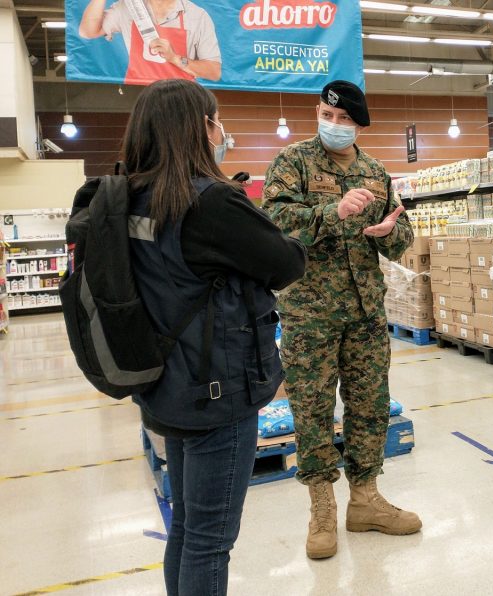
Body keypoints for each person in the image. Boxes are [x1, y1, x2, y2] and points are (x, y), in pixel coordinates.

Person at [110, 79, 305, 594]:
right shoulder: (210, 203)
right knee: (210, 540)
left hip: (166, 383)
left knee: (187, 526)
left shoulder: (132, 199)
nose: (222, 130)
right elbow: (286, 263)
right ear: (199, 128)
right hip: (218, 389)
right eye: (215, 119)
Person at [262, 80, 421, 560]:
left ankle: (366, 499)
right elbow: (275, 221)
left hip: (366, 309)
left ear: (357, 124)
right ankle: (322, 509)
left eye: (343, 120)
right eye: (326, 116)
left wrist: (391, 232)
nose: (332, 125)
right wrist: (333, 210)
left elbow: (400, 234)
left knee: (371, 404)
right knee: (311, 408)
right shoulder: (292, 162)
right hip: (309, 310)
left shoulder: (374, 170)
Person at [79, 0, 222, 83]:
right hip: (141, 99)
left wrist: (174, 58)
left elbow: (214, 72)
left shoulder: (197, 16)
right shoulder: (128, 7)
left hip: (182, 100)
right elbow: (88, 31)